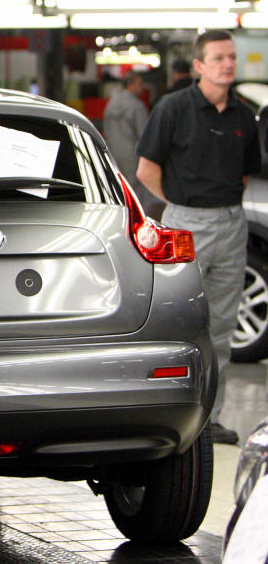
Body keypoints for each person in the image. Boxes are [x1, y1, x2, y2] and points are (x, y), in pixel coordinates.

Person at [136, 29, 261, 445]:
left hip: (231, 222)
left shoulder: (243, 116)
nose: (228, 64)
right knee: (184, 321)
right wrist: (183, 206)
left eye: (231, 57)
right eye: (219, 58)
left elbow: (244, 174)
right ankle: (179, 417)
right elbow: (145, 170)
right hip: (187, 221)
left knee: (223, 325)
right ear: (199, 66)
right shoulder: (173, 109)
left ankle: (213, 418)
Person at [103, 71, 157, 213]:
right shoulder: (136, 106)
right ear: (130, 84)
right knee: (136, 196)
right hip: (133, 156)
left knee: (118, 191)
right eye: (139, 83)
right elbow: (145, 135)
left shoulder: (111, 103)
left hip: (113, 154)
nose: (142, 87)